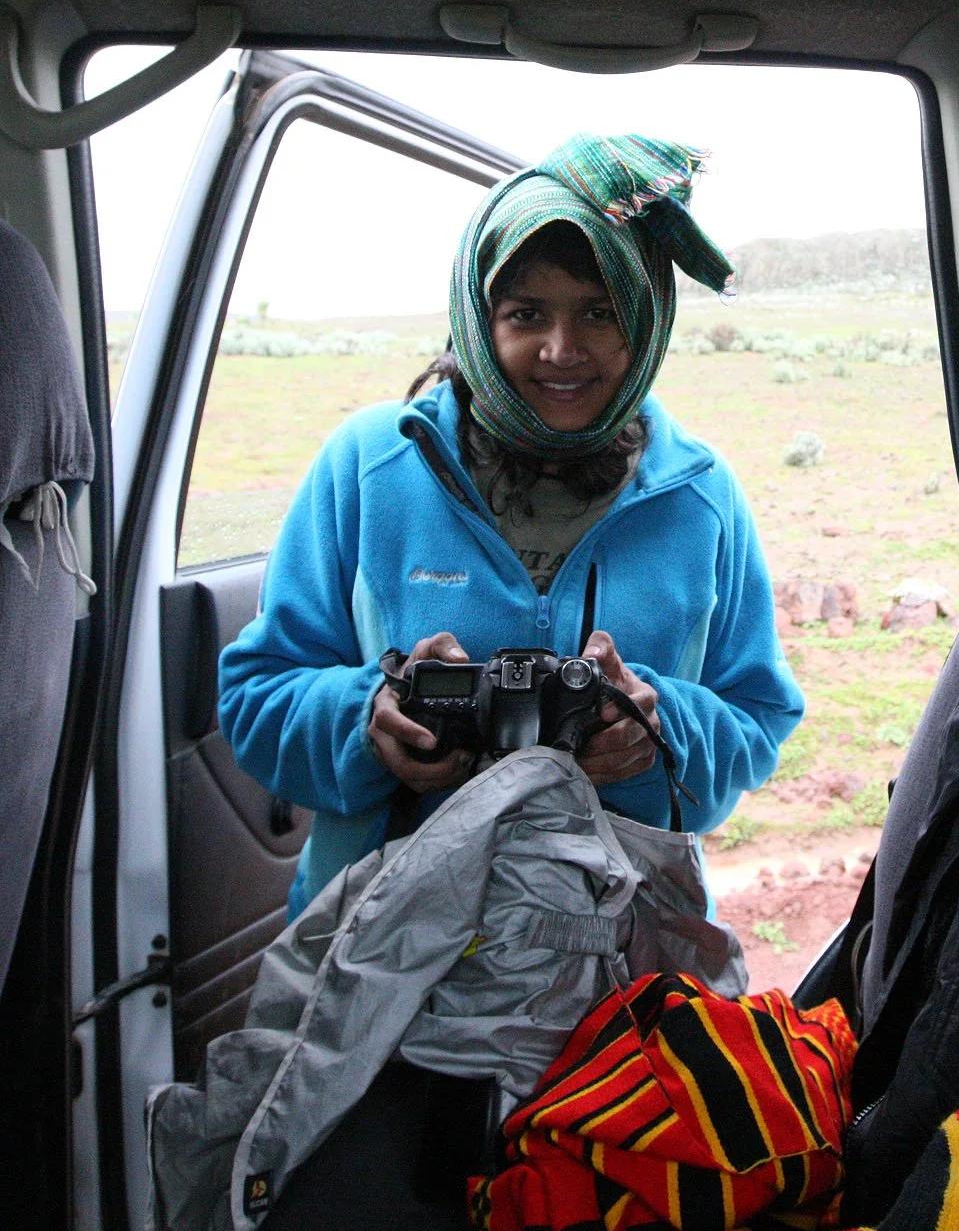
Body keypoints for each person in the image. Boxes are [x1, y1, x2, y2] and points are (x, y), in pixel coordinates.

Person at [219, 133, 804, 918]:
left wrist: (656, 734)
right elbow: (257, 695)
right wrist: (369, 722)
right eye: (525, 313)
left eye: (599, 313)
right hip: (381, 948)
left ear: (645, 318)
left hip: (620, 959)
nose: (562, 351)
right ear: (478, 318)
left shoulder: (700, 495)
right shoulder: (368, 466)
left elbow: (757, 716)